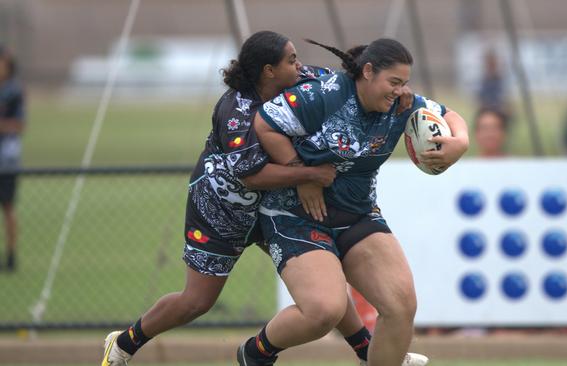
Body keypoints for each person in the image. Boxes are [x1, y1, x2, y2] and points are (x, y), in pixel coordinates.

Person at [101, 31, 426, 366]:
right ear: (269, 71)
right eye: (291, 60)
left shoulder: (307, 79)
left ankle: (371, 354)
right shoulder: (236, 110)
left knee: (323, 283)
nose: (300, 66)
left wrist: (398, 90)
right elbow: (250, 175)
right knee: (196, 301)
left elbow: (352, 85)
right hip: (223, 208)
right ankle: (124, 343)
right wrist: (309, 175)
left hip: (276, 206)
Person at [237, 38, 468, 366]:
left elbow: (450, 115)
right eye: (393, 82)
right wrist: (301, 173)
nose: (398, 91)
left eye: (404, 83)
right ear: (368, 72)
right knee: (324, 311)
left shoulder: (402, 104)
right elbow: (264, 124)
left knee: (401, 306)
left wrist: (460, 143)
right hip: (296, 215)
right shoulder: (324, 95)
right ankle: (255, 353)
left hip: (357, 214)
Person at [0, 47, 24, 272]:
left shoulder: (14, 91)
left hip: (6, 160)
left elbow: (19, 125)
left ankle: (11, 255)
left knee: (8, 207)